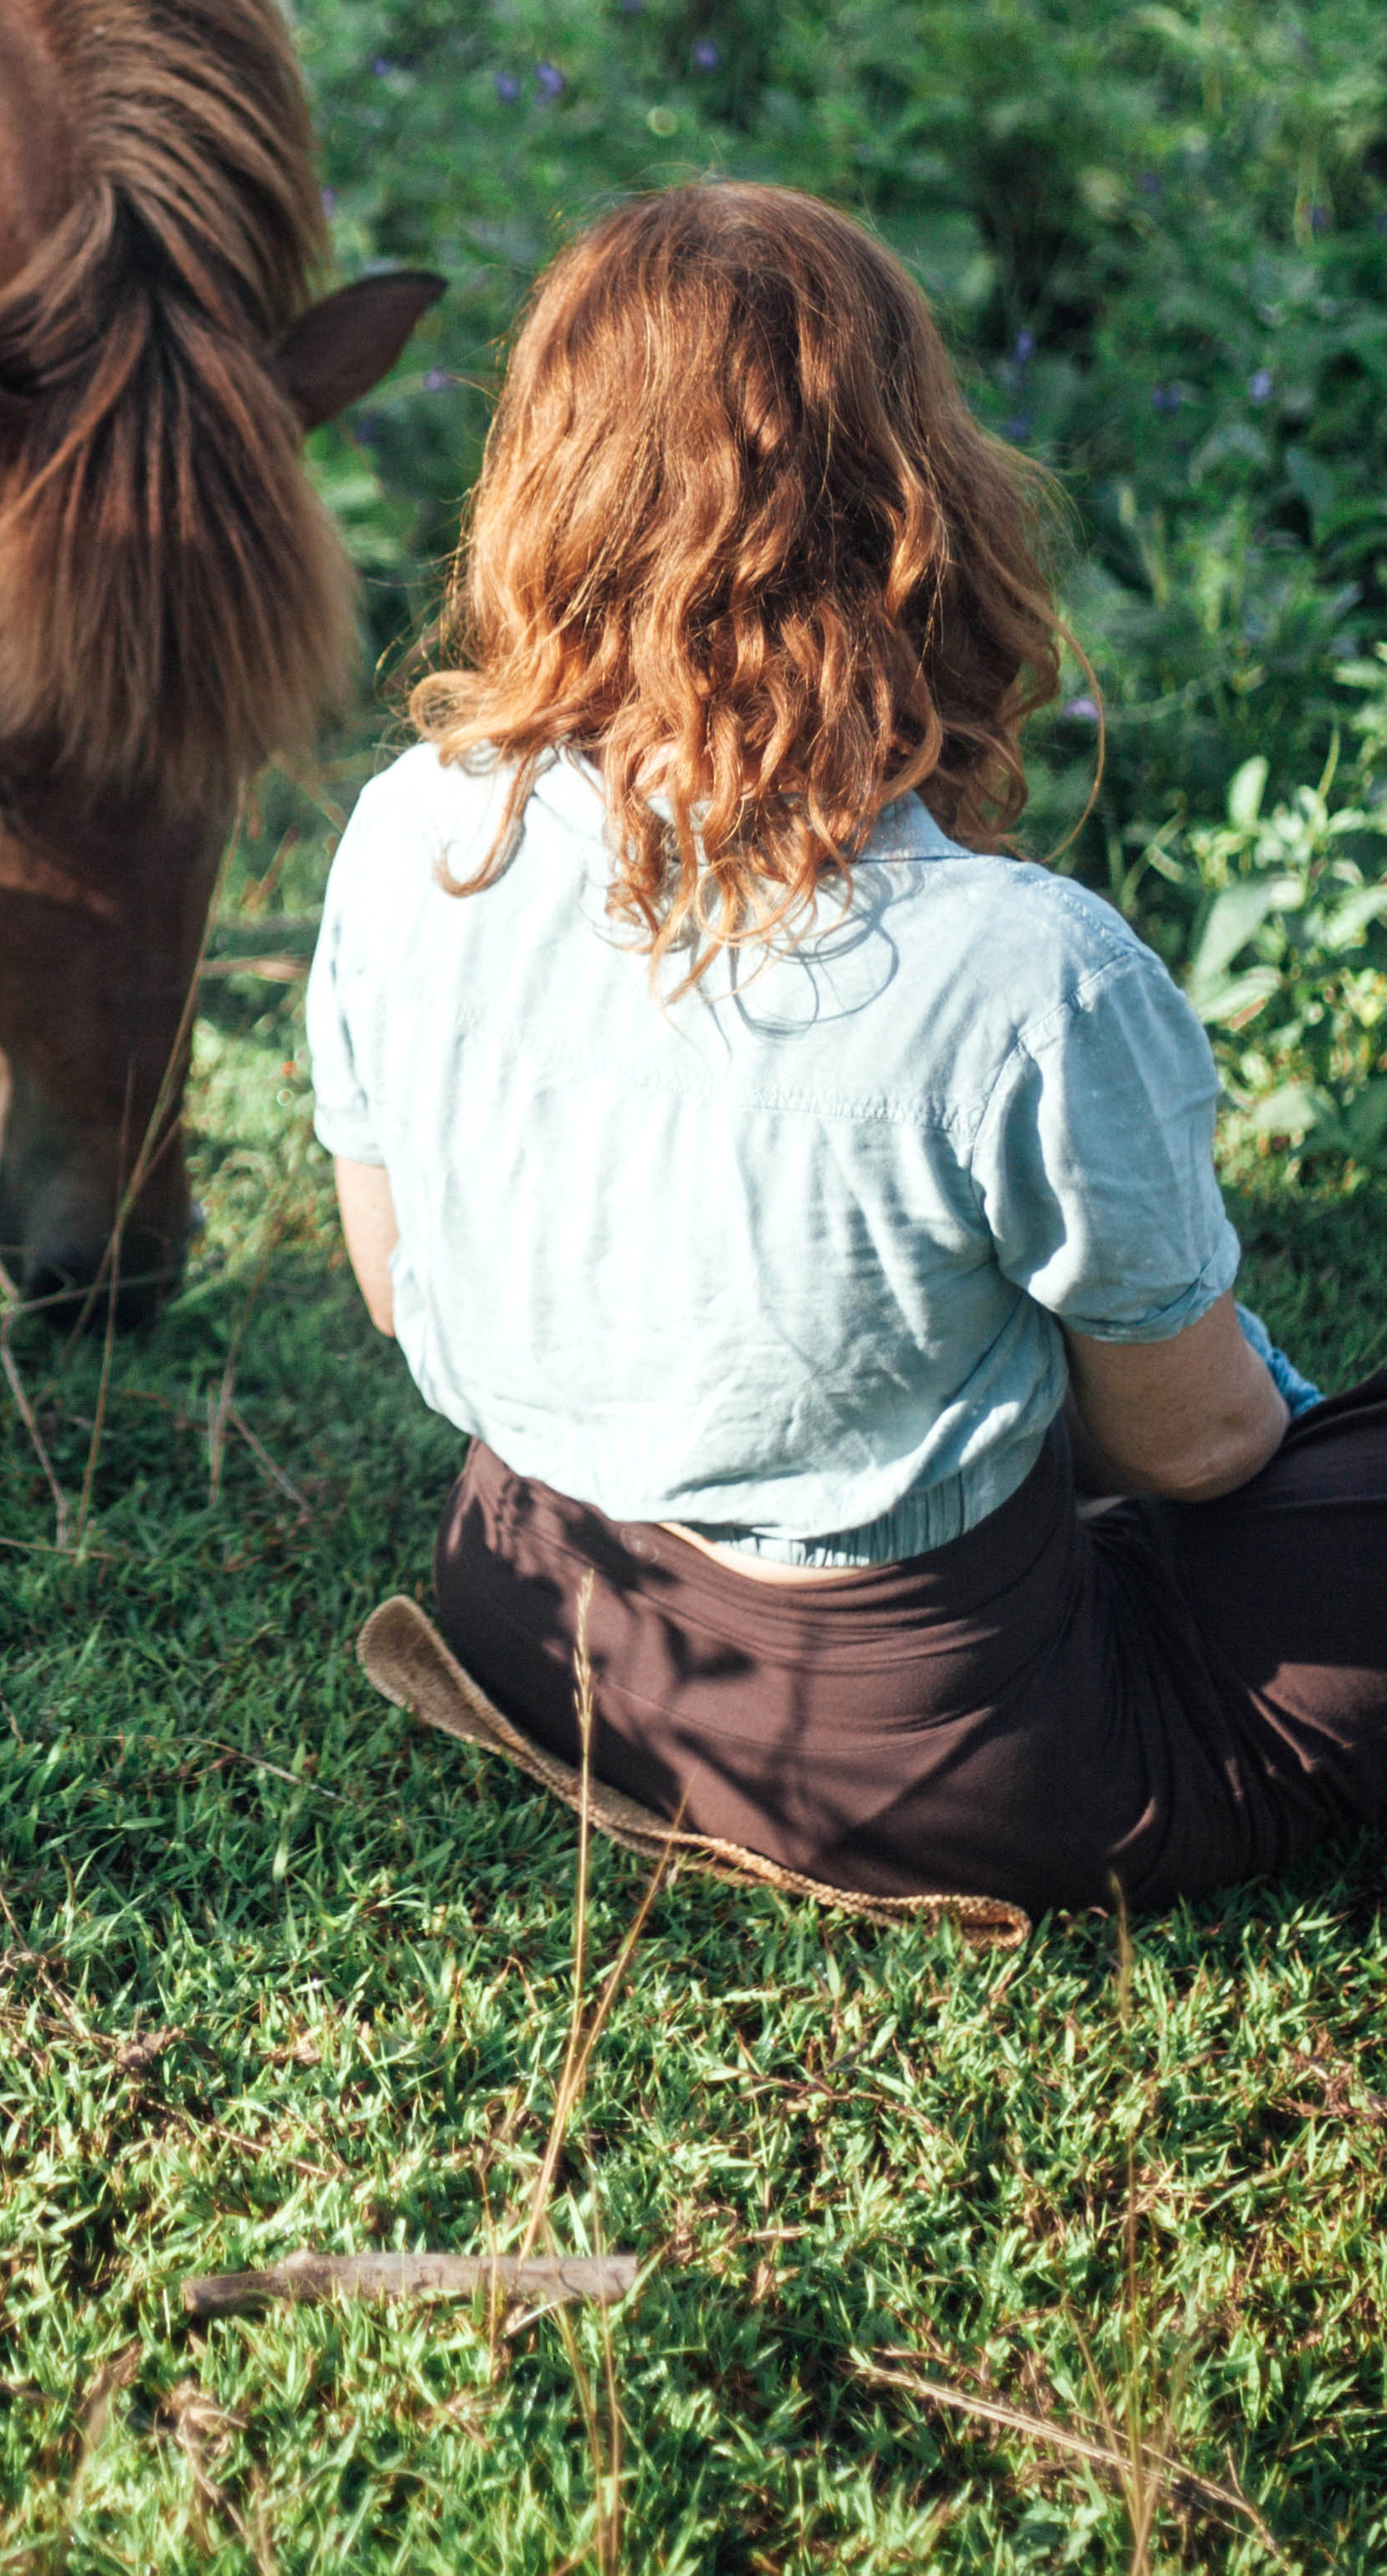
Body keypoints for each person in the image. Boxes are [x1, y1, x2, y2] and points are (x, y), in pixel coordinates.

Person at [310, 182, 1386, 1916]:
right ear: (912, 498)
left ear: (540, 483)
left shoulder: (411, 827)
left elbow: (385, 1277)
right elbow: (1194, 1453)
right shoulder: (1023, 966)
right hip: (929, 1750)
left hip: (528, 1605)